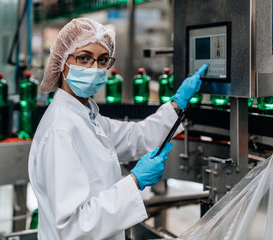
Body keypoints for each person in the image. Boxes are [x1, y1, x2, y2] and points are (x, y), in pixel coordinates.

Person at [28, 18, 207, 240]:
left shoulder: (87, 116)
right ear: (61, 60)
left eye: (102, 60)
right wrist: (134, 181)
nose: (94, 68)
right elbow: (72, 228)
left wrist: (176, 105)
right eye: (84, 58)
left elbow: (135, 137)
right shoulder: (60, 130)